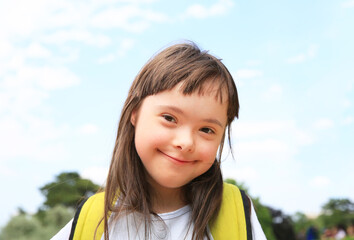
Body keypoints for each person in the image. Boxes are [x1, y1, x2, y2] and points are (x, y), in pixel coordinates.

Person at [51, 41, 266, 240]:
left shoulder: (237, 212)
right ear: (134, 113)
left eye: (207, 130)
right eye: (169, 118)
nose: (186, 142)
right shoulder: (91, 221)